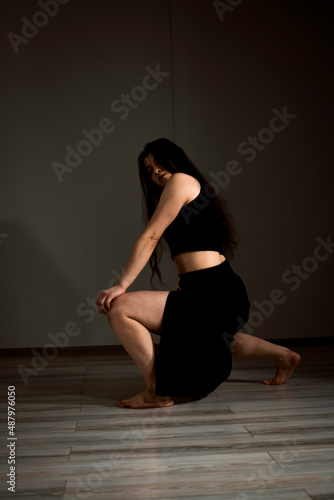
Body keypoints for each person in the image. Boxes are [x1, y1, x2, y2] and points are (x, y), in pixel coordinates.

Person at [96, 138, 301, 409]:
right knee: (209, 340)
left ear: (175, 159)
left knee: (119, 307)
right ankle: (284, 356)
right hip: (205, 288)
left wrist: (121, 284)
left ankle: (157, 391)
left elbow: (151, 236)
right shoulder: (179, 189)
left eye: (159, 162)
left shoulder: (181, 180)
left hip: (215, 288)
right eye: (149, 169)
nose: (155, 171)